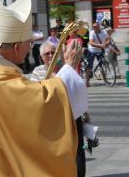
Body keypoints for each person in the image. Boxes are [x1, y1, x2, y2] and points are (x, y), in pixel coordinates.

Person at [0, 0, 88, 177]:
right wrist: (70, 68)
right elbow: (41, 104)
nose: (29, 48)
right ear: (16, 47)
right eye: (29, 44)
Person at [30, 41, 87, 177]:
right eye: (47, 53)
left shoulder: (66, 67)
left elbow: (78, 88)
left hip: (73, 115)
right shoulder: (38, 71)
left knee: (78, 149)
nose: (50, 55)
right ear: (41, 57)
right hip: (53, 119)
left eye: (53, 52)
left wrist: (86, 115)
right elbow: (34, 93)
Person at [86, 23, 110, 87]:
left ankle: (105, 81)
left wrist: (105, 44)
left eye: (95, 27)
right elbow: (91, 42)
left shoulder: (104, 32)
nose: (94, 28)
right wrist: (100, 45)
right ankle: (87, 82)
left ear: (99, 27)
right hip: (92, 50)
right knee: (89, 66)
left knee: (102, 66)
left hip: (100, 51)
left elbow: (109, 40)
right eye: (93, 27)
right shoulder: (92, 32)